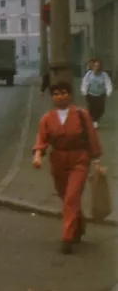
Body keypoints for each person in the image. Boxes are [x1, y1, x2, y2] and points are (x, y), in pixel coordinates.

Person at [32, 80, 103, 254]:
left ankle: (67, 237)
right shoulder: (47, 118)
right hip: (58, 160)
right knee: (66, 196)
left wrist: (96, 158)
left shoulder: (81, 114)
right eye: (56, 94)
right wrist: (37, 155)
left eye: (64, 93)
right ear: (52, 97)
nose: (60, 96)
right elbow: (41, 139)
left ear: (70, 95)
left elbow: (91, 136)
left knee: (72, 197)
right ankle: (78, 224)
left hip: (79, 159)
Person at [81, 60, 113, 129]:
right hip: (90, 94)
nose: (97, 68)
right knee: (91, 108)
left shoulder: (104, 75)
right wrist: (84, 91)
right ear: (93, 67)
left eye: (98, 66)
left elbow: (108, 82)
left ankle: (96, 118)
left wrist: (109, 91)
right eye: (95, 66)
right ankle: (94, 121)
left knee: (100, 109)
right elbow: (85, 82)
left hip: (100, 95)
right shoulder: (89, 74)